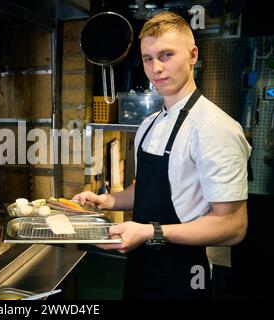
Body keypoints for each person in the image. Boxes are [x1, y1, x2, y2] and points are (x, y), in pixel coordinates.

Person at [73, 11, 251, 300]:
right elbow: (146, 188)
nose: (156, 68)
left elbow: (233, 226)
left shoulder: (215, 128)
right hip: (141, 265)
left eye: (166, 55)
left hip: (184, 276)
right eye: (147, 58)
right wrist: (108, 200)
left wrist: (151, 232)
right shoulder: (149, 123)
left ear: (193, 55)